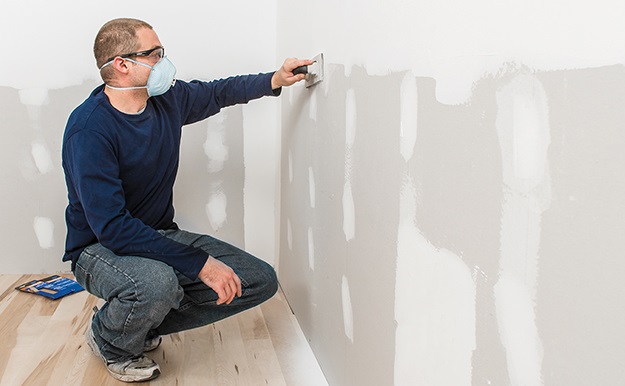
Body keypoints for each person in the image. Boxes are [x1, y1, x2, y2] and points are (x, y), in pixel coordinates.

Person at [61, 18, 311, 382]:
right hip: (98, 249)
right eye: (155, 54)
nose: (164, 62)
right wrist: (199, 264)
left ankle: (135, 321)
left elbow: (217, 93)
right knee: (158, 284)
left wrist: (274, 79)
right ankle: (110, 338)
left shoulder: (167, 101)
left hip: (155, 234)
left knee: (258, 279)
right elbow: (112, 227)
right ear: (122, 64)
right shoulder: (90, 130)